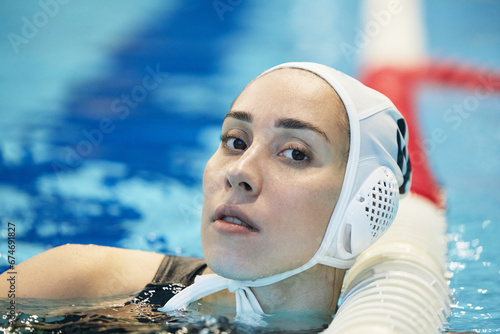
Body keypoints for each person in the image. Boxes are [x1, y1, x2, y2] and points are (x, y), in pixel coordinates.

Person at [0, 62, 411, 329]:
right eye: (235, 140)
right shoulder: (75, 281)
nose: (239, 172)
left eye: (294, 153)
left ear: (364, 203)